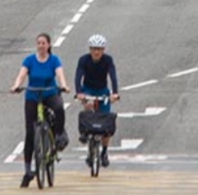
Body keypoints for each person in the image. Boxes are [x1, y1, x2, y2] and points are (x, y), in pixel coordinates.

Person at [10, 33, 70, 188]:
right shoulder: (29, 60)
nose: (41, 45)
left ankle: (58, 134)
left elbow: (59, 74)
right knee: (30, 133)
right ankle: (27, 171)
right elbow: (22, 75)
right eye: (38, 43)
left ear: (49, 45)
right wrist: (16, 85)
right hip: (33, 95)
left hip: (49, 93)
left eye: (43, 43)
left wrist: (64, 85)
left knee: (58, 108)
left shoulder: (53, 60)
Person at [75, 34, 120, 167]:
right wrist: (79, 93)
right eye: (93, 49)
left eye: (99, 49)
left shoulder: (108, 60)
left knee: (105, 122)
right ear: (90, 49)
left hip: (102, 90)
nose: (96, 52)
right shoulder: (83, 60)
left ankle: (104, 152)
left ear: (103, 50)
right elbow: (78, 76)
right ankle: (85, 134)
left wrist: (115, 93)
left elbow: (113, 76)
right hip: (88, 89)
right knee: (88, 108)